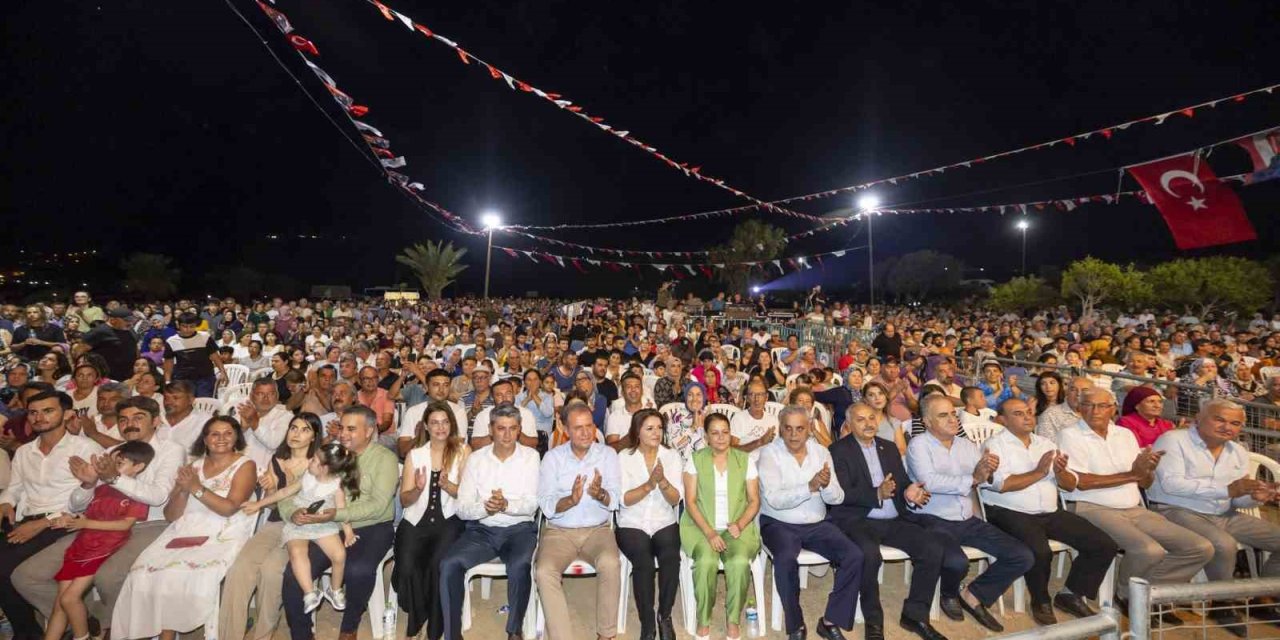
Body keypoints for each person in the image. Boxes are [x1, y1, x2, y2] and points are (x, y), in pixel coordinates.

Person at [1057, 387, 1212, 623]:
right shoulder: (1070, 435)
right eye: (1087, 405)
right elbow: (1081, 482)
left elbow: (1144, 481)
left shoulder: (1125, 435)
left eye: (1101, 405)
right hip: (1091, 506)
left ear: (1113, 408)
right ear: (1079, 408)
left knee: (1200, 546)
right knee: (1149, 550)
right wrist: (1132, 474)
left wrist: (1147, 470)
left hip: (1134, 507)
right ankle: (1128, 595)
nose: (1094, 410)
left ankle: (1149, 594)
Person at [110, 416, 257, 640]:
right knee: (142, 572)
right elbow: (171, 515)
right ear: (205, 439)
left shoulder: (245, 464)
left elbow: (229, 509)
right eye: (214, 434)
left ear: (237, 436)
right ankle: (164, 635)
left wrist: (196, 488)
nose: (221, 439)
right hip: (186, 528)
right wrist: (181, 490)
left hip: (223, 528)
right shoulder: (193, 466)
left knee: (189, 574)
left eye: (228, 433)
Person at [979, 398, 1118, 626]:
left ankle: (1071, 594)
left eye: (1028, 412)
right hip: (1008, 510)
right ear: (1002, 420)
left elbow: (1069, 483)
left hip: (1050, 512)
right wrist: (1040, 471)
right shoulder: (994, 445)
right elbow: (1002, 485)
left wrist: (1061, 472)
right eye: (1018, 413)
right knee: (1040, 551)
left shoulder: (1045, 444)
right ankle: (1040, 600)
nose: (1027, 417)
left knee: (1103, 544)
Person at [906, 394, 1034, 633]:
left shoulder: (966, 445)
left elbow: (983, 480)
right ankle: (948, 592)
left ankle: (973, 594)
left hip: (967, 518)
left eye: (954, 413)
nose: (953, 419)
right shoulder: (918, 445)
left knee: (1022, 555)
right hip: (932, 518)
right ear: (927, 421)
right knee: (956, 562)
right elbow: (930, 482)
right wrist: (974, 478)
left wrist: (989, 472)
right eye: (943, 415)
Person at [1150, 399, 1280, 632]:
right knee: (1224, 544)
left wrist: (1256, 496)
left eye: (1235, 423)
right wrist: (1228, 490)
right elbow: (1172, 485)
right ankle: (1223, 602)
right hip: (1177, 509)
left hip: (1224, 512)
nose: (1227, 427)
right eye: (1219, 419)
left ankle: (1265, 598)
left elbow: (1238, 499)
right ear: (1199, 418)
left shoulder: (1238, 451)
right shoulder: (1173, 439)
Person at [279, 406, 398, 640]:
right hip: (326, 526)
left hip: (372, 525)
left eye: (351, 429)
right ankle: (302, 634)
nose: (343, 434)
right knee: (293, 575)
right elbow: (291, 494)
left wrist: (335, 514)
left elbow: (379, 506)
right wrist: (293, 513)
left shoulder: (384, 459)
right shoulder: (329, 454)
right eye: (342, 427)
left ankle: (349, 627)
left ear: (369, 431)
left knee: (359, 569)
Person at [828, 403, 944, 640]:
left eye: (872, 418)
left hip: (893, 518)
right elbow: (840, 494)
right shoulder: (838, 450)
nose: (869, 423)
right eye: (861, 419)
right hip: (858, 519)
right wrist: (876, 494)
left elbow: (900, 484)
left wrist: (909, 493)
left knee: (932, 548)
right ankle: (873, 620)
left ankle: (915, 615)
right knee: (869, 555)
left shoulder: (889, 447)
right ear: (849, 424)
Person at [0, 391, 104, 640]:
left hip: (65, 523)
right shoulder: (25, 451)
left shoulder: (85, 448)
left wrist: (44, 522)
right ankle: (45, 625)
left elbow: (95, 499)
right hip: (27, 520)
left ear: (66, 414)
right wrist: (6, 503)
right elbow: (14, 487)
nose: (39, 417)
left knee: (5, 569)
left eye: (48, 410)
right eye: (33, 412)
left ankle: (34, 630)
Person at [758, 406, 860, 640]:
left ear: (809, 430)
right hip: (778, 522)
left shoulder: (821, 453)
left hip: (816, 523)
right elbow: (774, 500)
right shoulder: (769, 454)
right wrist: (809, 487)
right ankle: (795, 625)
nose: (794, 435)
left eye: (800, 429)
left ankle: (830, 620)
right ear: (780, 429)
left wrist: (825, 487)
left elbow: (838, 497)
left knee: (854, 555)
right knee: (785, 559)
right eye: (788, 429)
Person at [440, 404, 540, 640]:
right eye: (501, 428)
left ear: (519, 429)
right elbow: (463, 508)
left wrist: (506, 505)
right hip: (481, 530)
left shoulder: (530, 457)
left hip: (519, 530)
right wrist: (485, 506)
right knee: (449, 564)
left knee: (520, 565)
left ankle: (514, 630)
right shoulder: (476, 459)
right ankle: (452, 634)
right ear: (491, 429)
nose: (507, 435)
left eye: (512, 429)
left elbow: (532, 504)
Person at [217, 413, 319, 640]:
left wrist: (287, 481)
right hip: (276, 522)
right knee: (239, 568)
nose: (296, 434)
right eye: (294, 428)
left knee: (271, 572)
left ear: (314, 437)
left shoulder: (318, 463)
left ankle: (262, 635)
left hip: (303, 528)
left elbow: (312, 502)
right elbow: (274, 500)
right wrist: (269, 488)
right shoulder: (277, 459)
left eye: (305, 430)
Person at [41, 441, 154, 640]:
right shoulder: (101, 489)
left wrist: (85, 524)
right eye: (112, 461)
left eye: (120, 463)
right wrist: (69, 520)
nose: (111, 467)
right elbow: (85, 515)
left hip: (102, 549)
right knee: (60, 603)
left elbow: (124, 525)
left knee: (69, 598)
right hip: (81, 546)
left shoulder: (138, 493)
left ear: (138, 467)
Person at [535, 403, 623, 640]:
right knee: (544, 571)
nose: (585, 433)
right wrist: (570, 500)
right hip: (559, 531)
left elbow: (615, 498)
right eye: (578, 428)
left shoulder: (608, 455)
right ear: (564, 428)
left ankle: (606, 635)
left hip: (598, 530)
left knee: (611, 563)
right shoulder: (552, 458)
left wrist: (600, 494)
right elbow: (546, 503)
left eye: (590, 426)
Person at [243, 442, 359, 614]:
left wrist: (348, 532)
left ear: (324, 468)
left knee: (339, 554)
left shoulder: (336, 487)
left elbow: (342, 512)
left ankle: (334, 590)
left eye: (313, 460)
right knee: (297, 553)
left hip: (322, 524)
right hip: (299, 524)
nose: (309, 462)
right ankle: (309, 593)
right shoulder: (307, 477)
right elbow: (283, 493)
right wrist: (258, 504)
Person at [680, 412, 761, 640]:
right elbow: (691, 501)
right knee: (705, 561)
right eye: (714, 433)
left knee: (738, 562)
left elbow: (754, 500)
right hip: (701, 526)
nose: (721, 437)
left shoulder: (745, 460)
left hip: (737, 527)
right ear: (706, 437)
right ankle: (703, 619)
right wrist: (710, 532)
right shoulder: (695, 459)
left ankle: (733, 619)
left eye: (725, 432)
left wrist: (740, 524)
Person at [393, 401, 470, 640]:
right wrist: (417, 489)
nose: (440, 427)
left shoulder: (463, 452)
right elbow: (405, 501)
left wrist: (448, 485)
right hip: (416, 519)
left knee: (439, 564)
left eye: (445, 422)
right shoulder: (415, 455)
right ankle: (418, 614)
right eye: (435, 423)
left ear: (452, 425)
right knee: (406, 566)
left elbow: (468, 498)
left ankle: (433, 629)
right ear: (426, 426)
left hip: (449, 520)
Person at [615, 409, 682, 640]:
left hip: (663, 519)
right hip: (632, 521)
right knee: (642, 561)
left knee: (671, 557)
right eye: (650, 428)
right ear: (638, 431)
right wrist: (648, 484)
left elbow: (675, 500)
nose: (656, 433)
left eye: (659, 428)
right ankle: (646, 621)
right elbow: (623, 499)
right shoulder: (624, 457)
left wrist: (662, 481)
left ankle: (664, 615)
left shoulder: (671, 456)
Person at [398, 369, 468, 457]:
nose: (441, 389)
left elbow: (457, 448)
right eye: (436, 385)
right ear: (426, 387)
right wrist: (419, 436)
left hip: (447, 461)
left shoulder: (458, 411)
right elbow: (402, 451)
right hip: (419, 461)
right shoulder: (413, 411)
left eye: (446, 385)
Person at [163, 313, 226, 399]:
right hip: (182, 378)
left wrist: (222, 372)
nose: (188, 329)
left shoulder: (205, 337)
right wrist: (167, 381)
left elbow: (215, 356)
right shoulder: (171, 341)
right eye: (184, 326)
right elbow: (168, 363)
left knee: (204, 403)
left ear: (196, 325)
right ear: (178, 325)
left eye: (191, 326)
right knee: (185, 404)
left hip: (205, 377)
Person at [470, 379, 538, 449]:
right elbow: (475, 445)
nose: (505, 398)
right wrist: (495, 432)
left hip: (521, 457)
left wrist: (516, 430)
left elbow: (533, 444)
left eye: (508, 393)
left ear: (513, 394)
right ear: (492, 398)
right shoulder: (483, 415)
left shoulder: (526, 414)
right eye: (499, 395)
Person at [1036, 376, 1092, 442]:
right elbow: (1047, 446)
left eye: (1085, 390)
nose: (1079, 394)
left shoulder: (1100, 412)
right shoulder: (1050, 415)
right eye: (1073, 390)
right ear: (1067, 392)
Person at [730, 380, 777, 454]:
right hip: (746, 463)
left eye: (760, 394)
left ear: (766, 397)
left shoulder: (773, 420)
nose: (756, 399)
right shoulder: (738, 418)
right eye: (752, 394)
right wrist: (760, 442)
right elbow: (732, 450)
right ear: (747, 398)